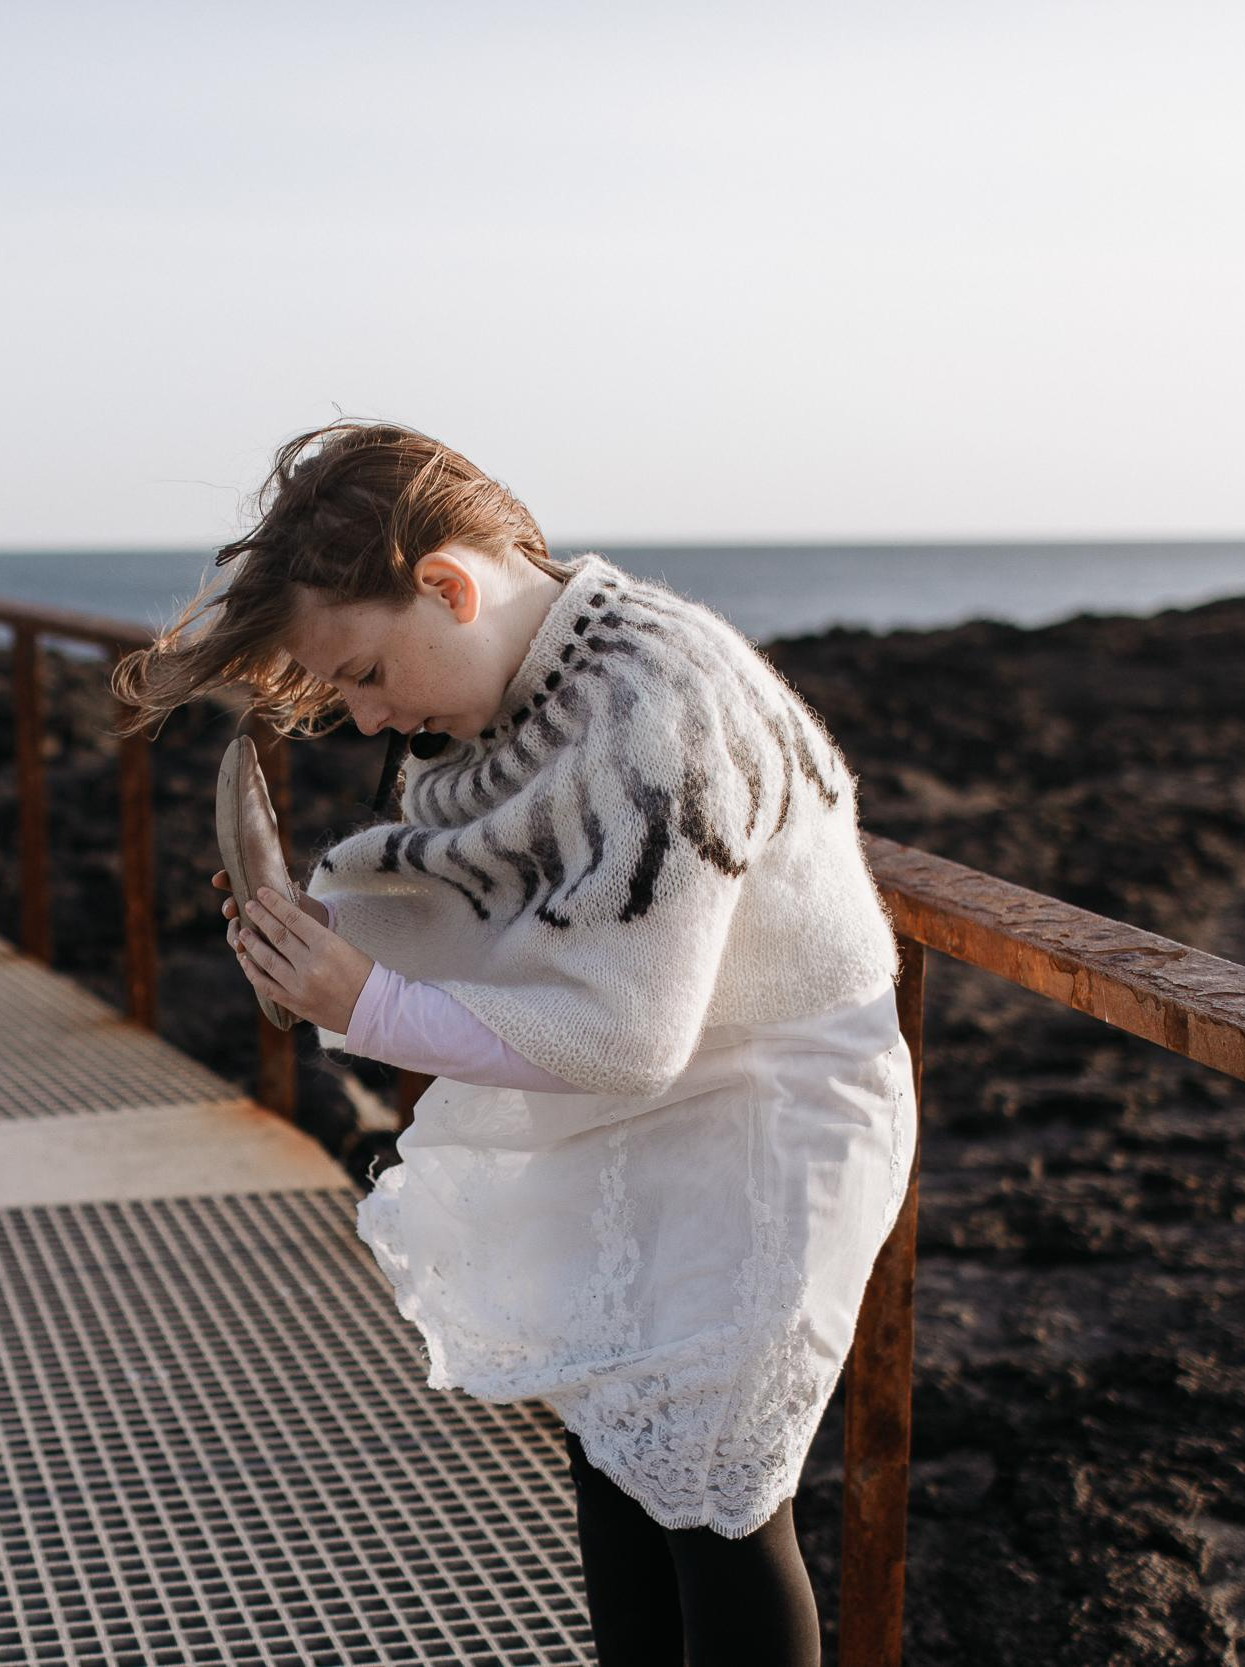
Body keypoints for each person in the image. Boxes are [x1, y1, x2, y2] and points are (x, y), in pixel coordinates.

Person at [111, 422, 914, 1667]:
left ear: (448, 584)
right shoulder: (518, 696)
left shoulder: (656, 700)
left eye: (367, 673)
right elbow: (518, 908)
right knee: (612, 1455)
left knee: (716, 1500)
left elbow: (628, 1027)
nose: (372, 719)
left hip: (767, 1109)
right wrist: (331, 942)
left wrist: (363, 998)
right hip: (635, 1104)